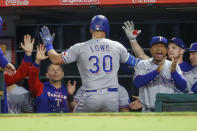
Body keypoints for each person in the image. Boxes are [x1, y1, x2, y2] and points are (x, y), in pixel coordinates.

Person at [39, 15, 139, 112]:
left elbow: (55, 59)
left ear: (91, 30)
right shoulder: (117, 46)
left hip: (91, 96)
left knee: (77, 122)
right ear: (107, 29)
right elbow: (136, 63)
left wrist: (48, 45)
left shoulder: (80, 47)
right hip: (112, 97)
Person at [134, 36, 186, 112]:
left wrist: (174, 72)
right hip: (149, 111)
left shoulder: (173, 65)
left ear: (166, 50)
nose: (159, 49)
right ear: (151, 50)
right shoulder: (143, 64)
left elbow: (183, 87)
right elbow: (137, 83)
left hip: (168, 110)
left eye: (162, 47)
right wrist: (156, 71)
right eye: (156, 46)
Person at [122, 21, 192, 73]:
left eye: (174, 48)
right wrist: (133, 40)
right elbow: (141, 56)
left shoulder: (190, 68)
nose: (170, 50)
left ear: (182, 50)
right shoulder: (163, 65)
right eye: (168, 48)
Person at [28, 44, 76, 113]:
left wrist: (71, 95)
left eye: (58, 70)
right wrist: (37, 61)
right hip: (43, 123)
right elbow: (32, 79)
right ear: (47, 75)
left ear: (63, 74)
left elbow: (74, 110)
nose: (55, 71)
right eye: (52, 70)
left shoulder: (67, 90)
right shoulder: (40, 87)